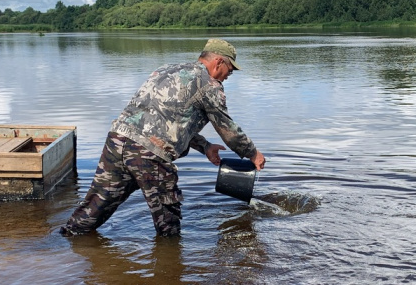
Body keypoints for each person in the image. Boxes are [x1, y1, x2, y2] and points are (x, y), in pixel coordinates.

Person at [60, 38, 265, 237]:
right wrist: (253, 154)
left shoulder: (167, 70)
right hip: (148, 154)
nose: (229, 75)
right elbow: (226, 127)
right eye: (230, 69)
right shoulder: (209, 84)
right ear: (218, 61)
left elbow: (168, 121)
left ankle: (62, 244)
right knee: (168, 222)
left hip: (117, 142)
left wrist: (205, 146)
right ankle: (169, 266)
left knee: (95, 206)